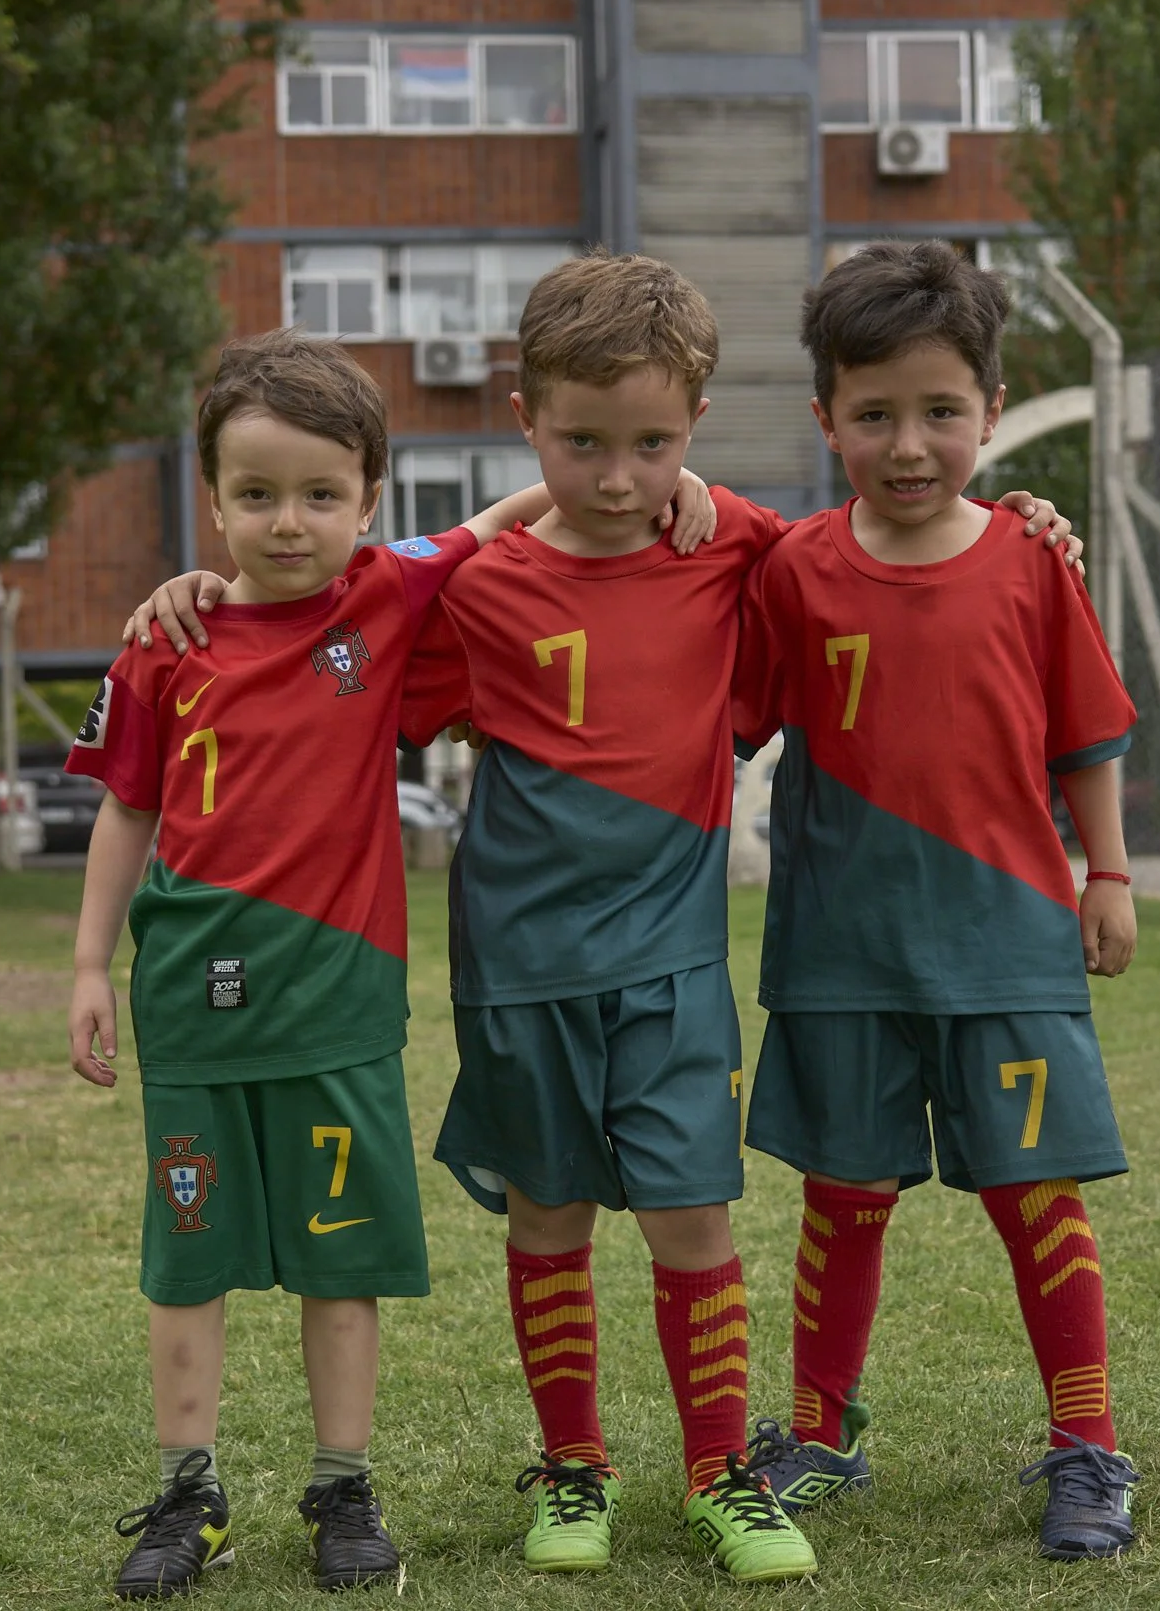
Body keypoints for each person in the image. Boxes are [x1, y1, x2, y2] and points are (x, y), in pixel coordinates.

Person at [125, 252, 1081, 1586]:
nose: (620, 476)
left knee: (696, 1219)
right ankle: (571, 1464)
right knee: (549, 1218)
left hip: (676, 969)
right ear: (527, 416)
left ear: (694, 428)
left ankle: (720, 1475)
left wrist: (1026, 514)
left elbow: (892, 541)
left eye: (652, 445)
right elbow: (309, 597)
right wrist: (196, 591)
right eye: (582, 443)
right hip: (519, 972)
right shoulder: (468, 587)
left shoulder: (741, 544)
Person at [63, 328, 714, 1600]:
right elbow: (125, 809)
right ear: (212, 499)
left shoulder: (385, 593)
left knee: (341, 1255)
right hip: (191, 1010)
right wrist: (90, 963)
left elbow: (507, 511)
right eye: (255, 494)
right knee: (187, 1255)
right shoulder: (164, 640)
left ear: (369, 500)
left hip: (343, 1009)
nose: (287, 521)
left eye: (319, 494)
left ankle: (340, 1483)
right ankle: (187, 1491)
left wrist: (685, 486)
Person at [732, 240, 1143, 1563]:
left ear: (991, 407)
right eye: (874, 415)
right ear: (826, 418)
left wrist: (1112, 872)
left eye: (942, 411)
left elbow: (1085, 733)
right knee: (843, 1193)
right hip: (842, 951)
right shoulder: (793, 572)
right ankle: (817, 1434)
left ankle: (1089, 1448)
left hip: (1006, 945)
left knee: (1037, 1196)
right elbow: (715, 719)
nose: (909, 445)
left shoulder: (1032, 560)